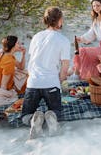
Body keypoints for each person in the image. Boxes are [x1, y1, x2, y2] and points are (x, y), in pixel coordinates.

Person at [21, 7, 70, 139]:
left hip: (33, 83)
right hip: (51, 84)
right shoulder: (63, 40)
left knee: (25, 115)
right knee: (57, 112)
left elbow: (32, 60)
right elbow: (64, 68)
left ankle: (33, 119)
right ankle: (51, 116)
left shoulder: (37, 37)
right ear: (59, 21)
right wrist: (60, 80)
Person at [71, 0, 101, 80]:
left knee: (83, 51)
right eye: (94, 6)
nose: (96, 8)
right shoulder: (95, 20)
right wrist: (81, 38)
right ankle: (81, 73)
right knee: (82, 51)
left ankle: (77, 74)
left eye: (98, 5)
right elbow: (91, 34)